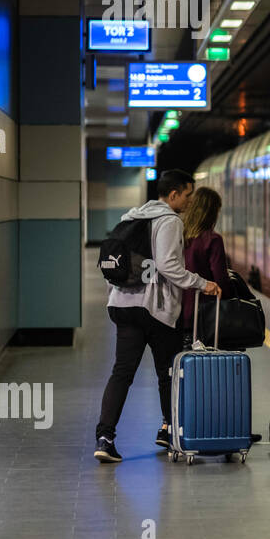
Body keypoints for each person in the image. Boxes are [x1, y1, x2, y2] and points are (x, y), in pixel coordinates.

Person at [95, 169, 222, 463]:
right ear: (174, 194)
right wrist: (203, 283)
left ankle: (105, 437)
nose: (190, 202)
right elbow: (169, 266)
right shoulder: (169, 221)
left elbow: (113, 264)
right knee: (168, 373)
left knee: (121, 373)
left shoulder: (131, 218)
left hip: (123, 304)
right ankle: (169, 430)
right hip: (155, 310)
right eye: (188, 195)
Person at [179, 186, 236, 350]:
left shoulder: (179, 235)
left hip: (178, 313)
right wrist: (232, 296)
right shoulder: (212, 239)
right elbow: (221, 279)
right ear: (212, 212)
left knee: (184, 364)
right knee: (207, 366)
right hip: (205, 315)